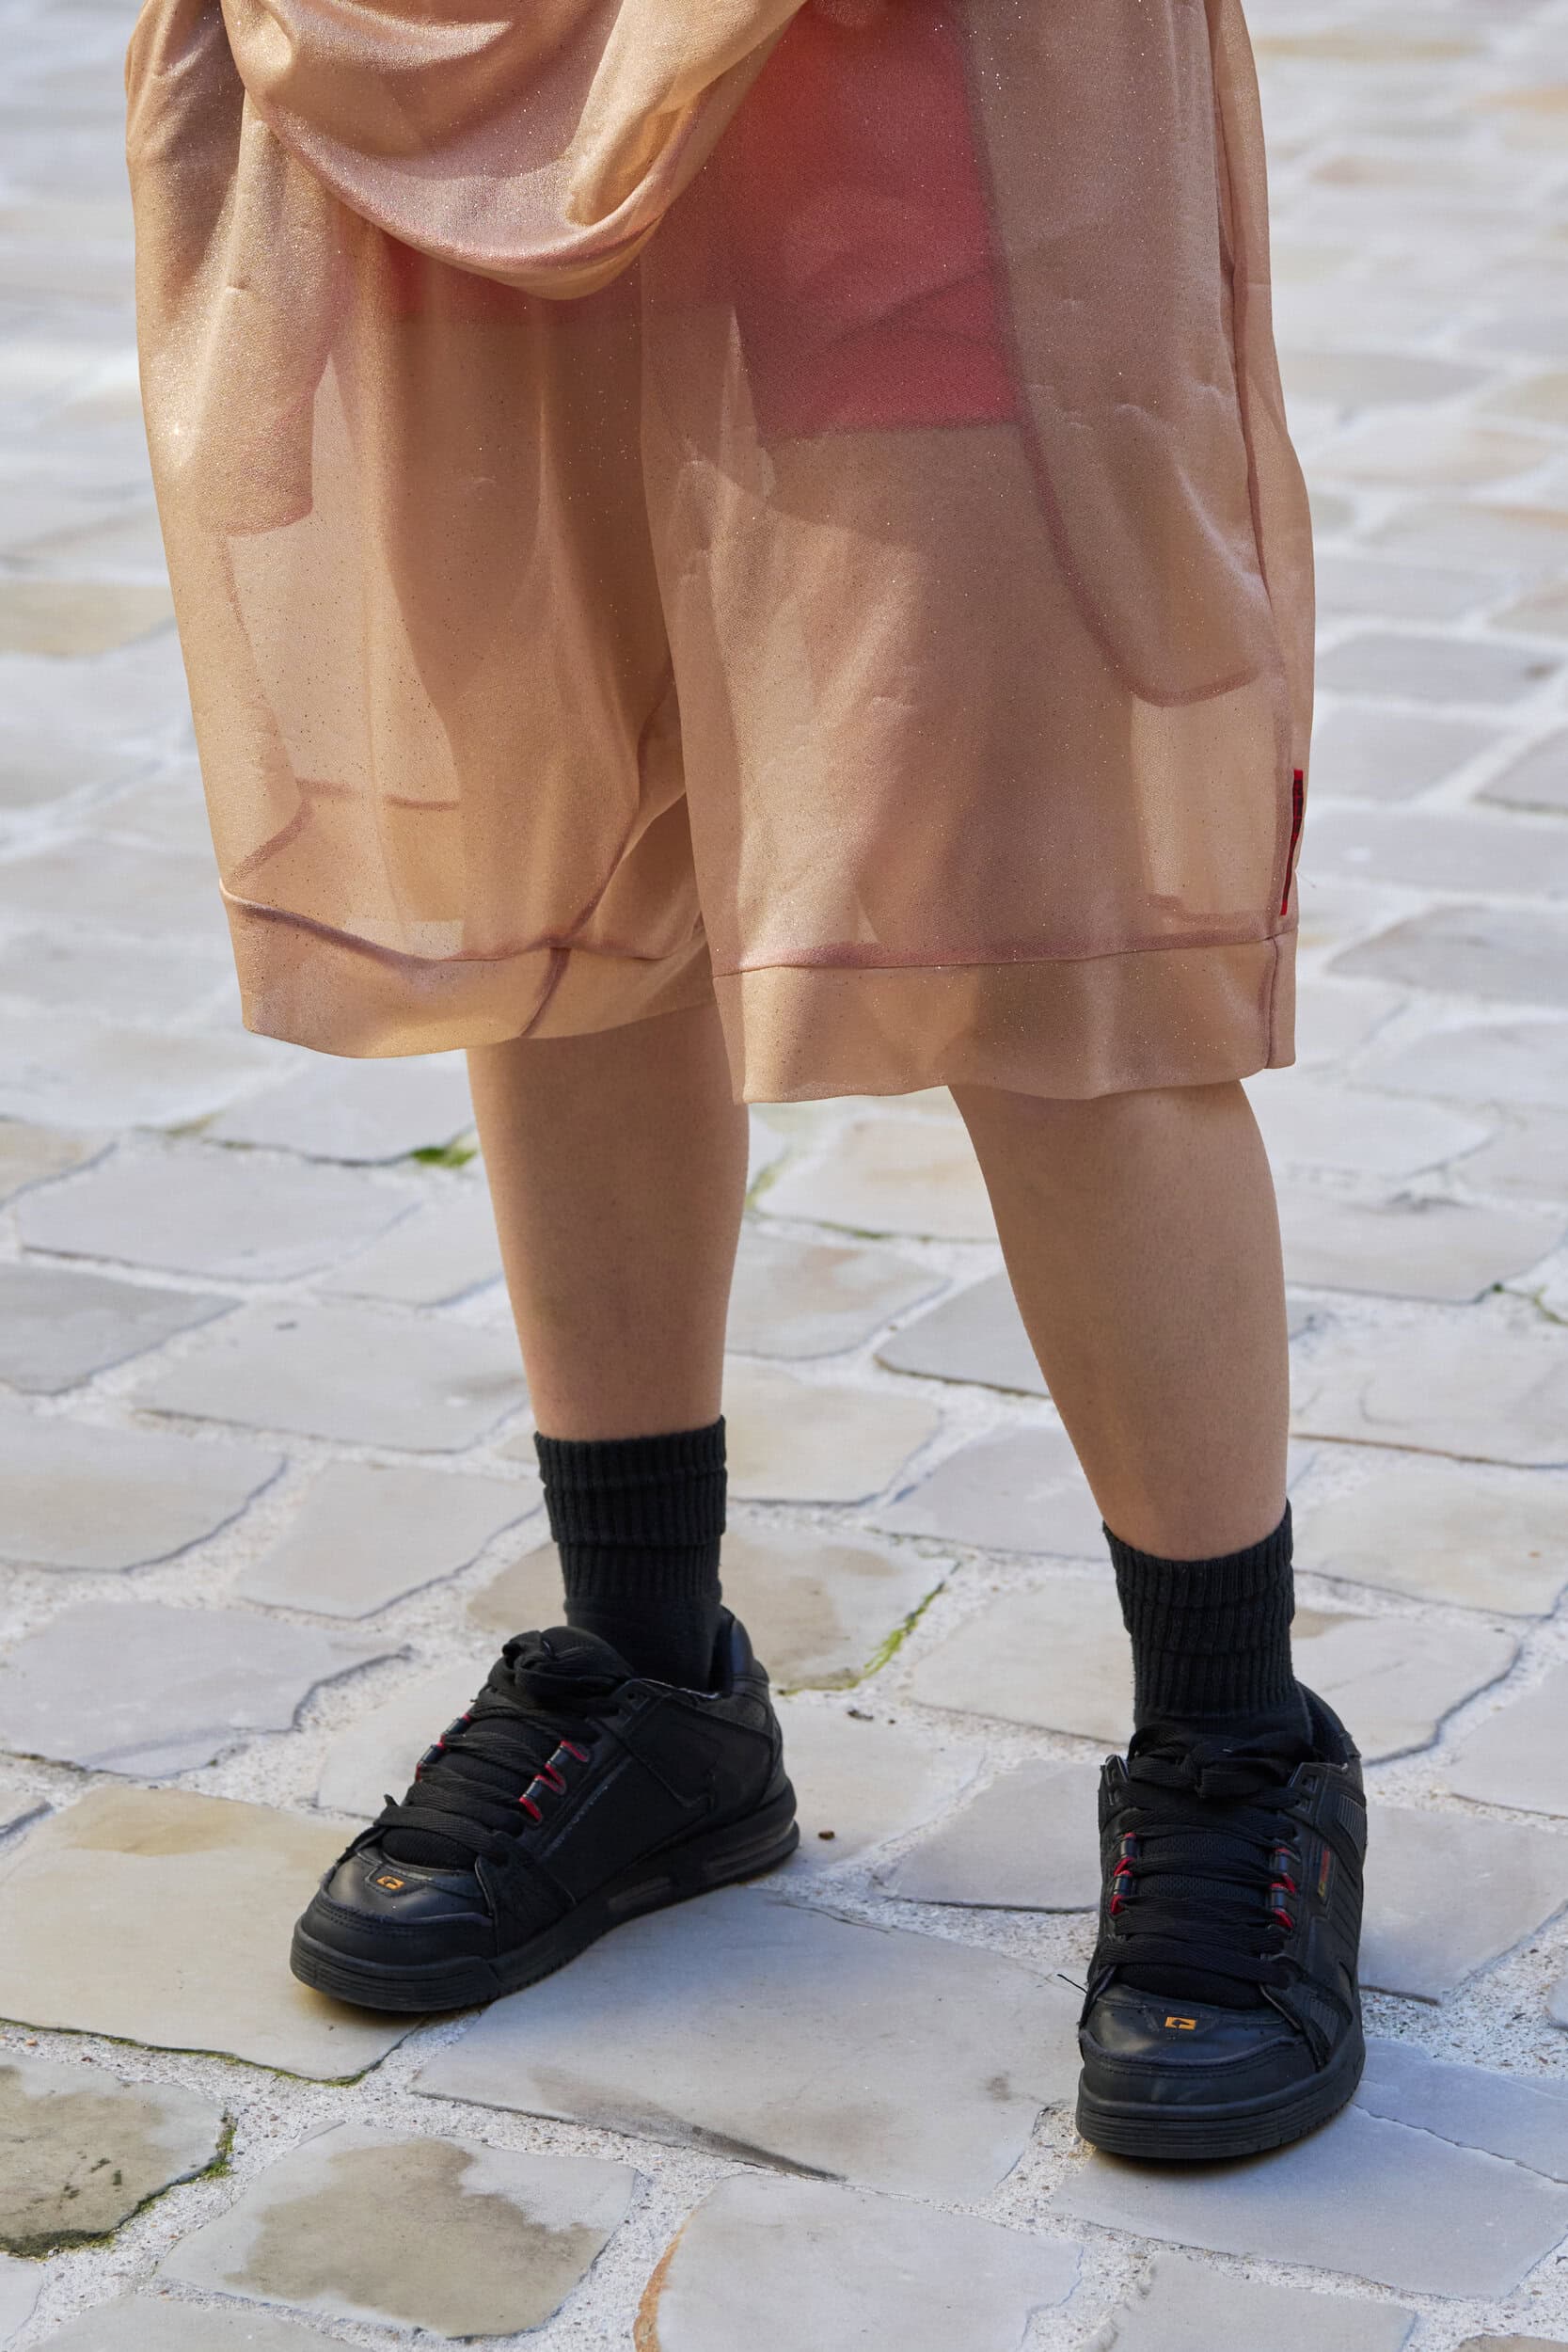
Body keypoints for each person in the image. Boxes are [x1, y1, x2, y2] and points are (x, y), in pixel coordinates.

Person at [126, 0, 1367, 2160]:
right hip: (431, 66)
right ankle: (649, 1671)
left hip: (899, 64)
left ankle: (1235, 1742)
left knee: (1047, 891)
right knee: (560, 838)